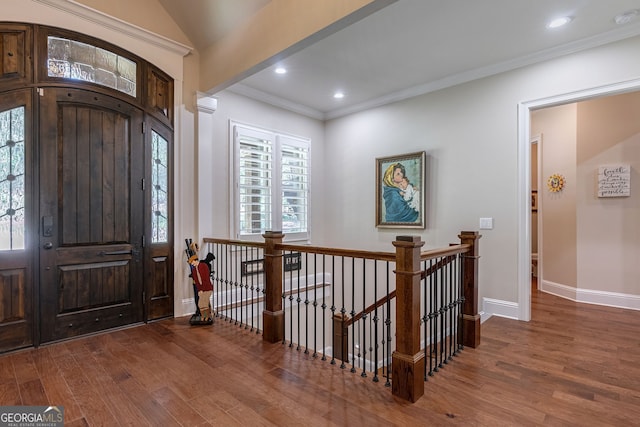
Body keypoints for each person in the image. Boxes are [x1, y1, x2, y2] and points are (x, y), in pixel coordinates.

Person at [189, 254, 214, 322]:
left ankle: (206, 316)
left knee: (204, 303)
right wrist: (199, 290)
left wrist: (203, 290)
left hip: (207, 288)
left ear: (195, 260)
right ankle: (207, 315)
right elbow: (197, 282)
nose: (192, 264)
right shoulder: (194, 270)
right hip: (201, 289)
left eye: (192, 262)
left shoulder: (204, 266)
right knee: (201, 304)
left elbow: (206, 279)